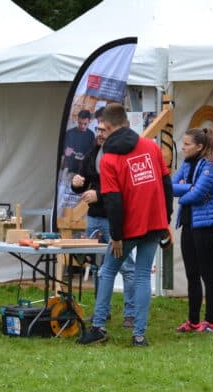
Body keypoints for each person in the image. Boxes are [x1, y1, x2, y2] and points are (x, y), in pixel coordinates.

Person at [78, 103, 173, 347]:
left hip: (129, 225)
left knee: (107, 270)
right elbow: (166, 185)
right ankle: (139, 335)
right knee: (142, 275)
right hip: (154, 222)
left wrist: (117, 236)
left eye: (102, 129)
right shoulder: (151, 147)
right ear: (126, 123)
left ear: (108, 127)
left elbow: (113, 200)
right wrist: (166, 221)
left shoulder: (109, 159)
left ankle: (98, 327)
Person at [70, 118, 136, 328]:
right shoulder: (92, 153)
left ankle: (131, 314)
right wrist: (76, 184)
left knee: (126, 267)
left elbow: (123, 189)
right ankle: (102, 311)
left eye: (103, 131)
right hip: (94, 218)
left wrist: (98, 194)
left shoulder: (120, 156)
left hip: (113, 219)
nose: (99, 134)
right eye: (97, 130)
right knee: (100, 268)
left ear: (113, 132)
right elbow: (84, 183)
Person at [173, 127, 213, 334]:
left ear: (200, 146)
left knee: (207, 274)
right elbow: (171, 186)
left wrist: (187, 191)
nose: (182, 148)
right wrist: (189, 188)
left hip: (205, 227)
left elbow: (197, 193)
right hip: (187, 224)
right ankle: (193, 321)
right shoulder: (187, 163)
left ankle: (209, 322)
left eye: (186, 144)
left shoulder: (212, 165)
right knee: (192, 274)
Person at [63, 109, 95, 174]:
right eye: (80, 123)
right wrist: (66, 151)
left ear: (89, 121)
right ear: (78, 120)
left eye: (85, 124)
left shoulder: (91, 135)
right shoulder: (70, 133)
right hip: (69, 167)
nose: (82, 126)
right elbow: (65, 151)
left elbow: (91, 152)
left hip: (83, 169)